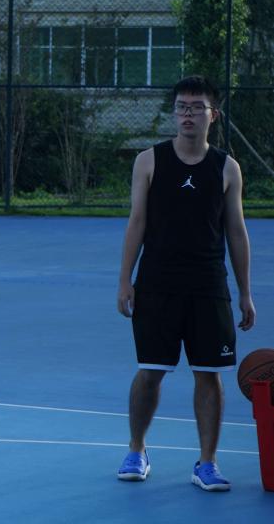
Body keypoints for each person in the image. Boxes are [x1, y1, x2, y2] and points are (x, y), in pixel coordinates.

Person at [116, 75, 256, 492]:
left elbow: (236, 232)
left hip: (208, 285)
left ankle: (207, 463)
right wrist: (125, 280)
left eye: (196, 107)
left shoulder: (227, 168)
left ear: (214, 115)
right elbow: (136, 222)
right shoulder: (149, 161)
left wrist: (245, 292)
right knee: (150, 372)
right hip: (157, 284)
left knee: (209, 375)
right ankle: (136, 450)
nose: (187, 114)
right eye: (181, 107)